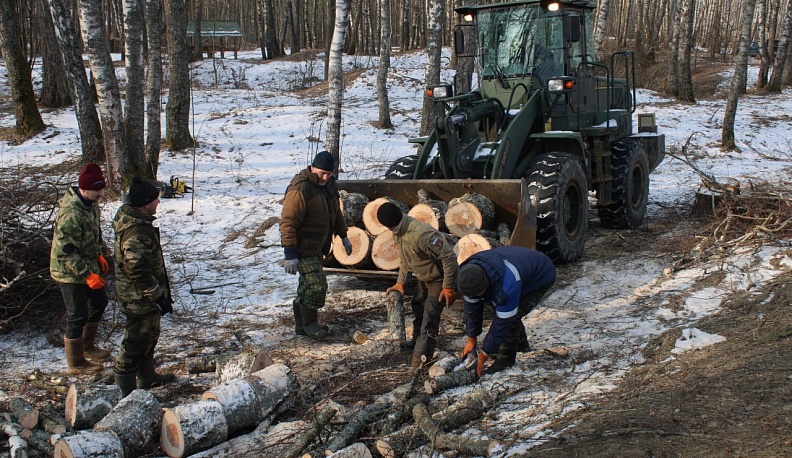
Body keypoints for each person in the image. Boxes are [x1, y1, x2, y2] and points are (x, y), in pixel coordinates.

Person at [112, 177, 175, 397]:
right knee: (135, 341)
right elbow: (137, 269)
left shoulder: (140, 223)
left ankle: (146, 376)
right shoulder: (136, 232)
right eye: (155, 199)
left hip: (145, 296)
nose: (158, 202)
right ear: (146, 203)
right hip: (138, 298)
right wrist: (157, 295)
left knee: (149, 334)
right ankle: (124, 390)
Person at [280, 151, 352, 340]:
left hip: (318, 246)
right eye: (322, 173)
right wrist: (290, 254)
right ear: (312, 168)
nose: (325, 177)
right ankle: (310, 323)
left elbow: (336, 212)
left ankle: (301, 326)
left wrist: (344, 236)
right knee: (317, 285)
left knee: (306, 285)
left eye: (329, 174)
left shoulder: (329, 186)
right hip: (303, 248)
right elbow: (288, 222)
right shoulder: (300, 189)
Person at [377, 202, 458, 367]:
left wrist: (449, 286)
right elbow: (405, 259)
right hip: (423, 277)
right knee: (419, 308)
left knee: (430, 316)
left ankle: (421, 358)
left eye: (391, 227)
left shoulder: (422, 234)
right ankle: (416, 342)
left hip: (439, 279)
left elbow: (449, 257)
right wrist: (400, 282)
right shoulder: (398, 232)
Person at [50, 163, 111, 375]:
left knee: (100, 302)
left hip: (88, 264)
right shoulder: (70, 214)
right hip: (68, 271)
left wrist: (99, 253)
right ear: (84, 188)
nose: (100, 193)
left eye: (101, 188)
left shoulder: (91, 205)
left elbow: (94, 234)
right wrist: (87, 274)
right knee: (77, 315)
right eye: (96, 189)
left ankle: (88, 346)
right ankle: (76, 362)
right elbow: (66, 253)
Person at [458, 246, 555, 376]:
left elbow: (503, 322)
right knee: (507, 312)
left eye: (478, 294)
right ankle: (521, 346)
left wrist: (484, 355)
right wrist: (471, 338)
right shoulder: (467, 277)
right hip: (520, 269)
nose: (475, 297)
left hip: (541, 274)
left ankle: (506, 358)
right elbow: (472, 309)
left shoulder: (507, 286)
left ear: (486, 285)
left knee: (512, 317)